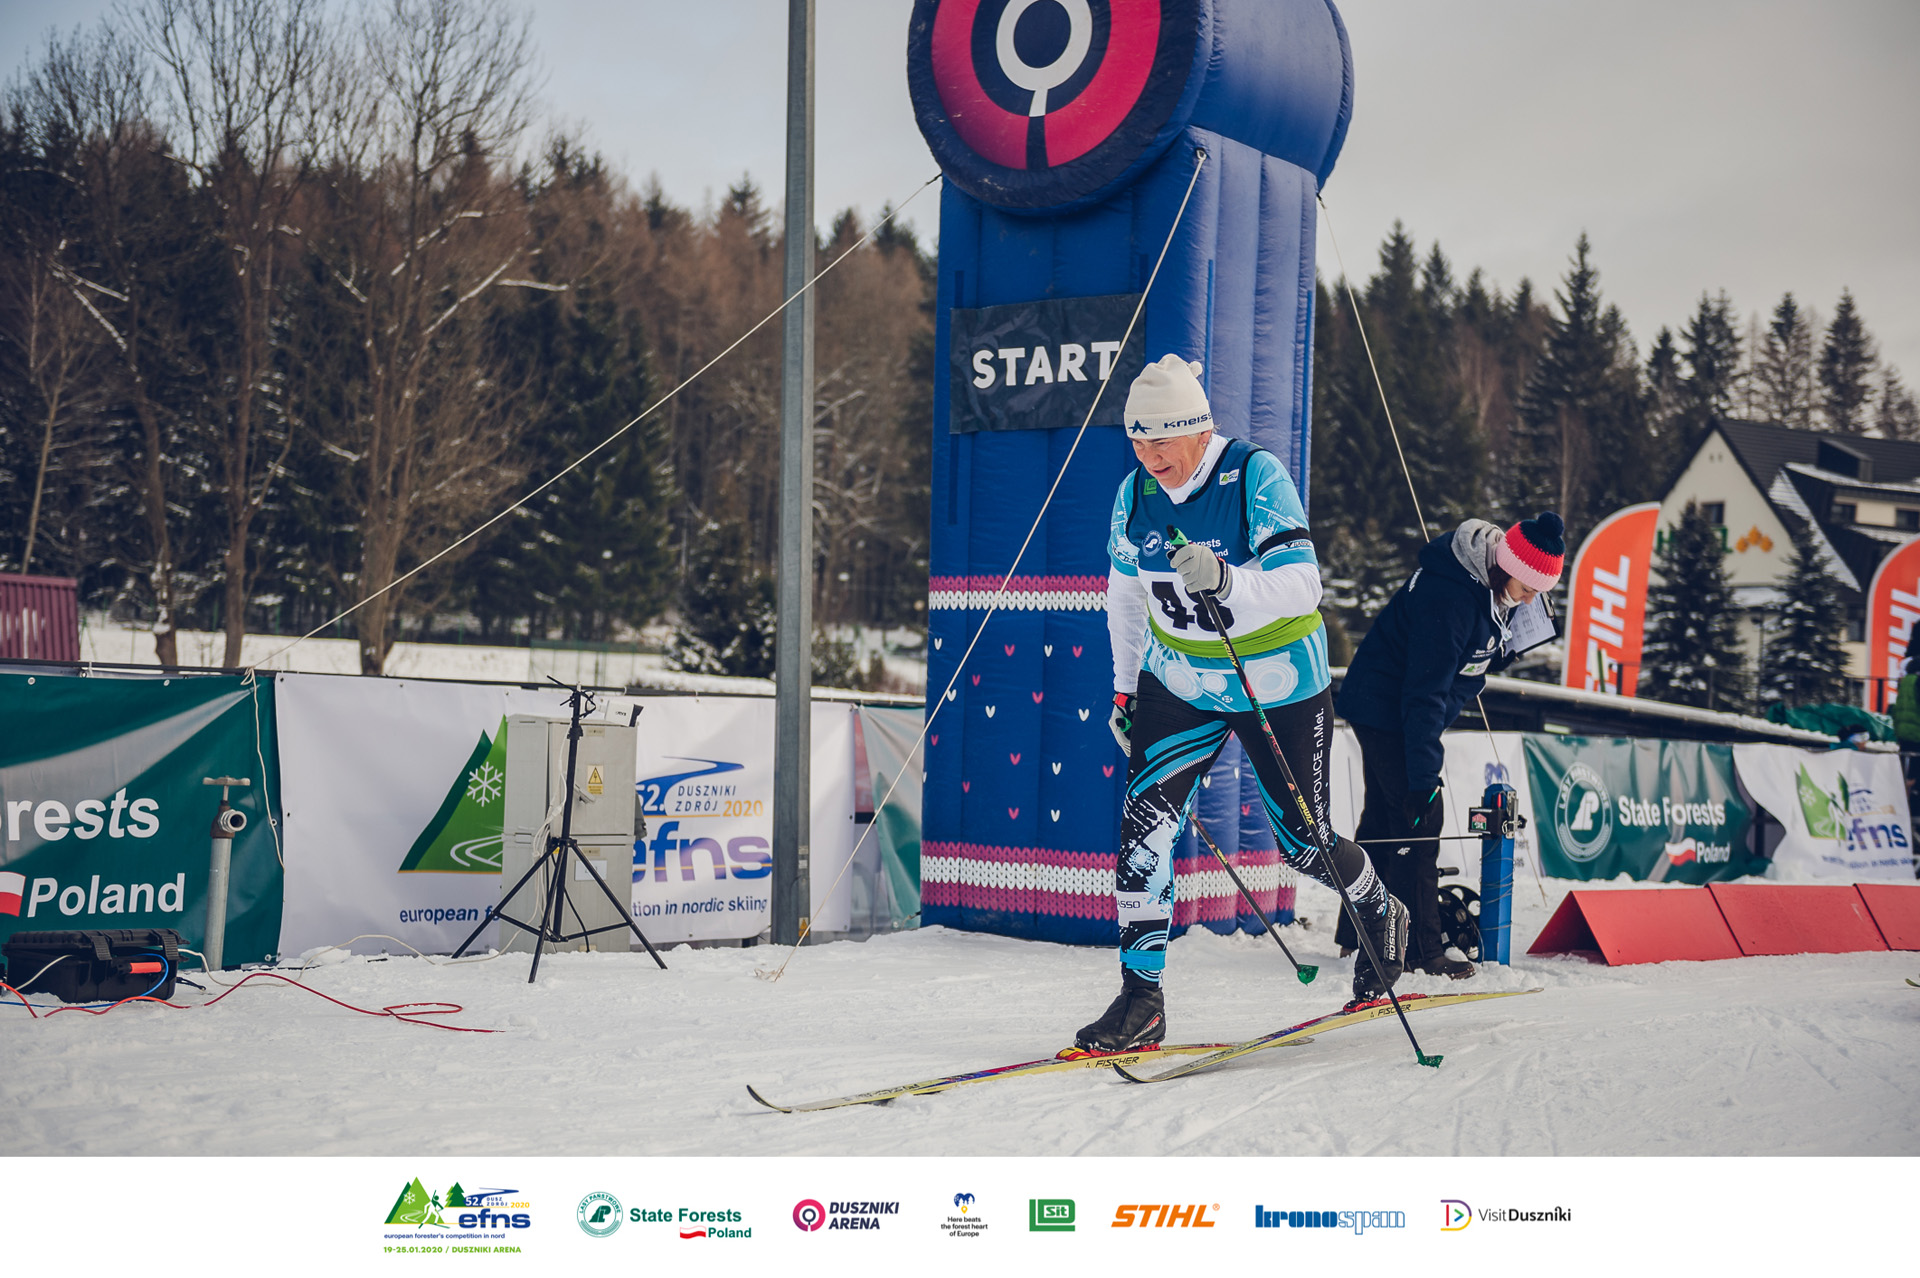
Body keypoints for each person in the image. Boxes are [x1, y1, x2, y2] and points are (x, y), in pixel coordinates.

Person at [1076, 354, 1411, 1053]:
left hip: (1276, 681)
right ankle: (1143, 1001)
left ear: (1198, 431)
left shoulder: (1254, 476)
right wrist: (1125, 684)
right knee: (1145, 826)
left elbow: (1301, 586)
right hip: (1183, 680)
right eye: (1136, 442)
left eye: (1161, 441)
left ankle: (1378, 905)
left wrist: (1227, 580)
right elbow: (1127, 595)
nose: (1148, 457)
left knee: (1304, 844)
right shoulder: (1134, 494)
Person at [1333, 511, 1566, 978]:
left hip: (1396, 702)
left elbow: (1468, 665)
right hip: (1385, 706)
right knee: (1419, 820)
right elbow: (1424, 694)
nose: (1532, 599)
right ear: (1507, 568)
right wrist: (1424, 780)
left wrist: (1503, 646)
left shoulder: (1493, 592)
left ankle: (1356, 930)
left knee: (1382, 818)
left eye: (1541, 592)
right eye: (1528, 588)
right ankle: (1420, 949)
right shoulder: (1452, 599)